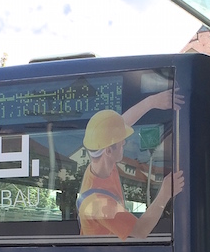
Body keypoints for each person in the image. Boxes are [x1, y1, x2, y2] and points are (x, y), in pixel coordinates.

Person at [76, 91, 185, 240]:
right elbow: (140, 231)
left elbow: (119, 125)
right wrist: (165, 193)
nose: (124, 143)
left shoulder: (101, 163)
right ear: (108, 150)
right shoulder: (99, 203)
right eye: (121, 142)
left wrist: (151, 102)